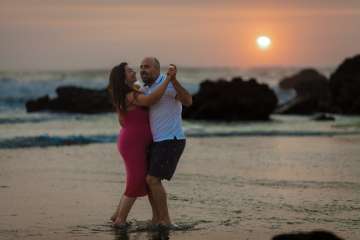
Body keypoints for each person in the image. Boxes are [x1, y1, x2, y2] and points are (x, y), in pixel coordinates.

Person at [107, 62, 177, 228]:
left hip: (133, 142)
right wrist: (167, 80)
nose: (134, 72)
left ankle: (116, 214)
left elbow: (122, 120)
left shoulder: (130, 92)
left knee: (137, 179)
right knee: (137, 179)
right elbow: (152, 99)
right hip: (133, 144)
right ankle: (120, 220)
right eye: (129, 71)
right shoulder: (131, 95)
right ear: (123, 78)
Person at [140, 57, 192, 228]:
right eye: (141, 67)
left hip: (172, 139)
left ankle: (166, 221)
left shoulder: (167, 83)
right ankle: (157, 219)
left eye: (146, 67)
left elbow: (188, 101)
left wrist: (174, 79)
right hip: (156, 141)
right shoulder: (145, 88)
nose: (142, 70)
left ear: (157, 69)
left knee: (153, 179)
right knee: (149, 182)